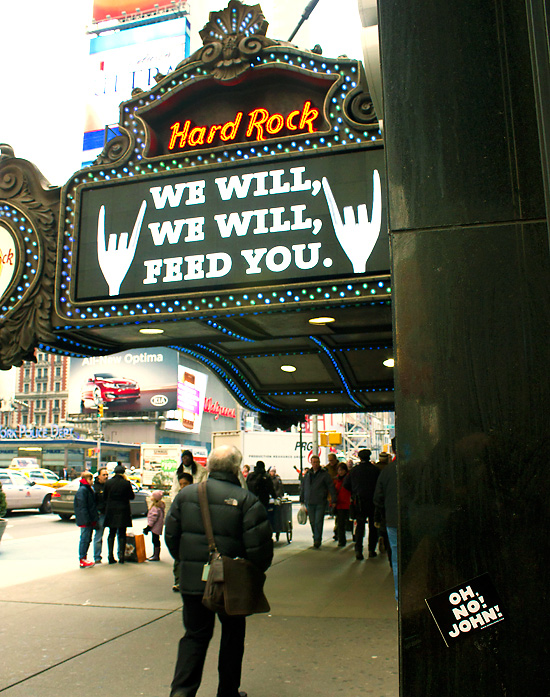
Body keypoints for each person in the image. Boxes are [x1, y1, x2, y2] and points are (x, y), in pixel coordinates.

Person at [165, 444, 273, 697]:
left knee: (194, 636)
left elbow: (171, 536)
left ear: (210, 466)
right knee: (233, 636)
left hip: (192, 582)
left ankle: (181, 692)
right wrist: (252, 573)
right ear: (237, 469)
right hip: (232, 582)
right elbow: (260, 550)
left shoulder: (185, 495)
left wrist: (187, 563)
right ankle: (227, 692)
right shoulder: (247, 501)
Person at [343, 449, 380, 560]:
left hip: (359, 501)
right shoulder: (375, 470)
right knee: (373, 526)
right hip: (372, 501)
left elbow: (346, 484)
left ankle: (358, 550)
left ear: (359, 458)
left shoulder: (354, 471)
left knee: (359, 526)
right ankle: (371, 549)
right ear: (369, 457)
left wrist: (354, 492)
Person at [374, 440, 398, 602]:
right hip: (415, 519)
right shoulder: (420, 466)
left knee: (396, 558)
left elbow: (378, 498)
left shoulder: (387, 472)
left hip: (393, 520)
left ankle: (399, 595)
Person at [300, 455, 337, 548]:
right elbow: (303, 487)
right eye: (314, 462)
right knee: (312, 522)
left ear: (319, 462)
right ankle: (315, 536)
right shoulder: (308, 474)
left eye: (317, 462)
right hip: (309, 502)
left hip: (320, 501)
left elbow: (331, 487)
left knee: (318, 521)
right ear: (311, 463)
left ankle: (317, 539)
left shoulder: (324, 474)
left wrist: (333, 499)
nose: (315, 464)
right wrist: (302, 499)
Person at [103, 463, 135, 564]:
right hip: (123, 510)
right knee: (122, 534)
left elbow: (104, 497)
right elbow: (131, 496)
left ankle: (110, 556)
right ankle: (121, 556)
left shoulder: (108, 483)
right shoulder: (126, 483)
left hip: (111, 510)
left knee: (111, 533)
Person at [172, 472, 194, 593]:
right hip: (182, 533)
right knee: (179, 560)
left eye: (185, 484)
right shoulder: (179, 498)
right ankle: (178, 581)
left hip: (191, 533)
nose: (182, 487)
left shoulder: (197, 497)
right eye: (180, 484)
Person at [74, 471, 99, 568]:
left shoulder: (87, 489)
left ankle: (84, 558)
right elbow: (82, 507)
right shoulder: (83, 490)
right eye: (90, 479)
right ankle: (82, 558)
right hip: (86, 520)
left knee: (87, 539)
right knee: (85, 539)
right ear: (86, 480)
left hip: (88, 519)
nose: (92, 481)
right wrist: (87, 519)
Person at [143, 490, 166, 561]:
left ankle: (156, 556)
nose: (151, 497)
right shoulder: (159, 506)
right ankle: (155, 554)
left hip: (155, 527)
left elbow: (153, 518)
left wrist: (148, 527)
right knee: (156, 540)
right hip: (157, 526)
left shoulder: (155, 508)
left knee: (155, 540)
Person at [92, 466, 109, 563]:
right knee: (98, 537)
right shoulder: (95, 488)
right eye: (104, 475)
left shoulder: (109, 486)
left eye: (107, 475)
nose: (106, 477)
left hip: (109, 513)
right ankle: (97, 557)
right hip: (100, 514)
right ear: (98, 476)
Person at [333, 462, 351, 547]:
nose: (340, 472)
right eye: (339, 470)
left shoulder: (349, 478)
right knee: (340, 523)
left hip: (348, 503)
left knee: (349, 522)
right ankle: (341, 540)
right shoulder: (336, 480)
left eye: (342, 470)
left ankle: (353, 536)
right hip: (340, 504)